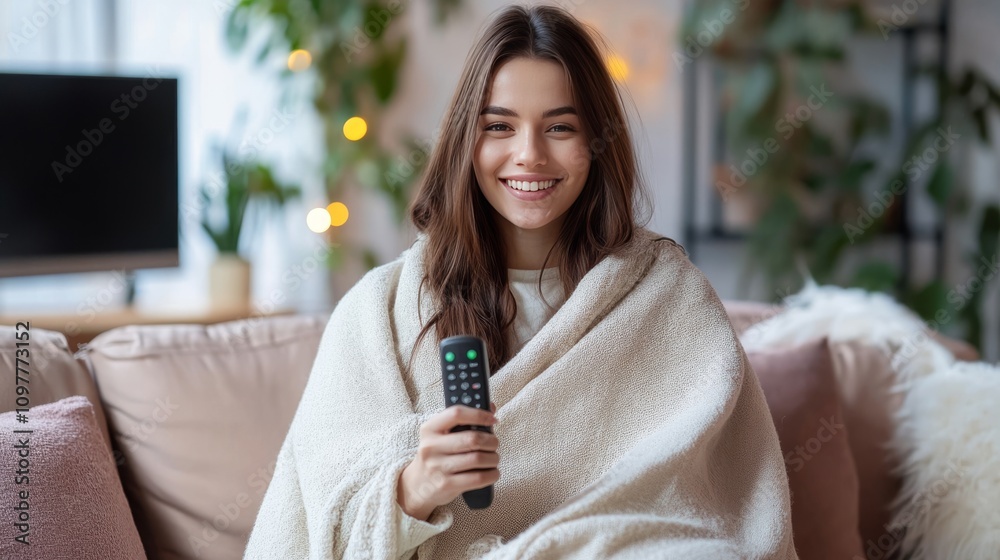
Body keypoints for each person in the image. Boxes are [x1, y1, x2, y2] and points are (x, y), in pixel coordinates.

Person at [244, 5, 797, 559]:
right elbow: (323, 523)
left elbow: (732, 505)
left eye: (559, 127)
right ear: (467, 140)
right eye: (499, 127)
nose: (529, 155)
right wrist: (415, 488)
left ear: (597, 142)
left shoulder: (668, 295)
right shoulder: (378, 311)